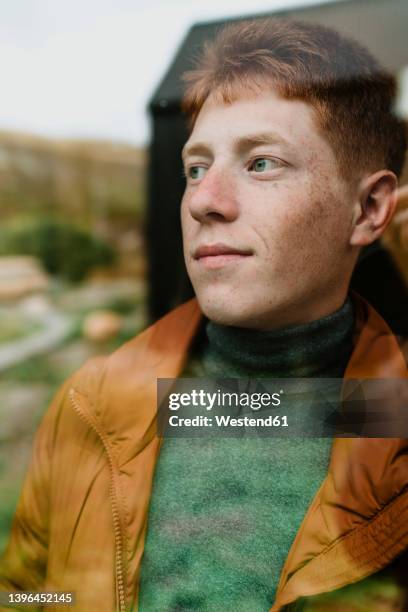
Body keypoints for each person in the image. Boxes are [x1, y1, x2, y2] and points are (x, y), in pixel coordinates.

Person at [1, 17, 407, 612]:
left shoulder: (392, 420)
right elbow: (29, 595)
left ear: (370, 209)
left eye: (261, 163)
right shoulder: (92, 403)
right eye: (195, 167)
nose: (202, 200)